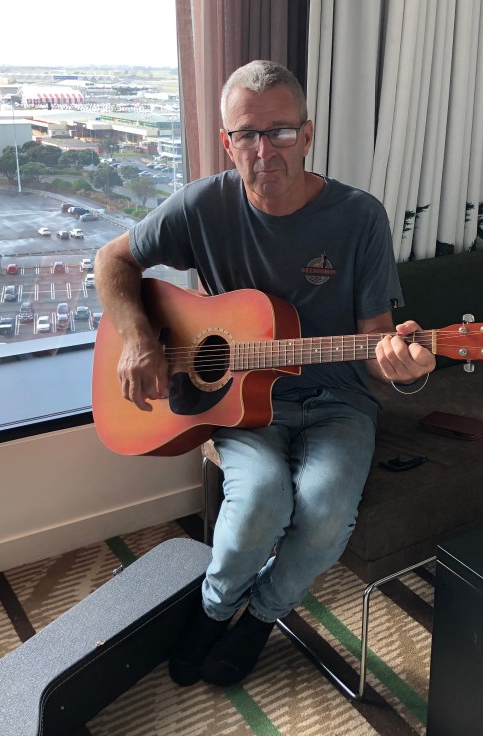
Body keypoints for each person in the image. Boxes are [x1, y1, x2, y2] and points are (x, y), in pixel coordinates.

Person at [94, 60, 435, 688]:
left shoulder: (359, 217)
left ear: (306, 135)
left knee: (325, 513)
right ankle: (212, 610)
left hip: (339, 401)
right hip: (242, 404)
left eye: (279, 132)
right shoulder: (203, 205)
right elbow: (111, 261)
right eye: (247, 134)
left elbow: (376, 341)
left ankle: (259, 619)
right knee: (258, 503)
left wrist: (404, 369)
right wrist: (138, 336)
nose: (264, 150)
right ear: (228, 143)